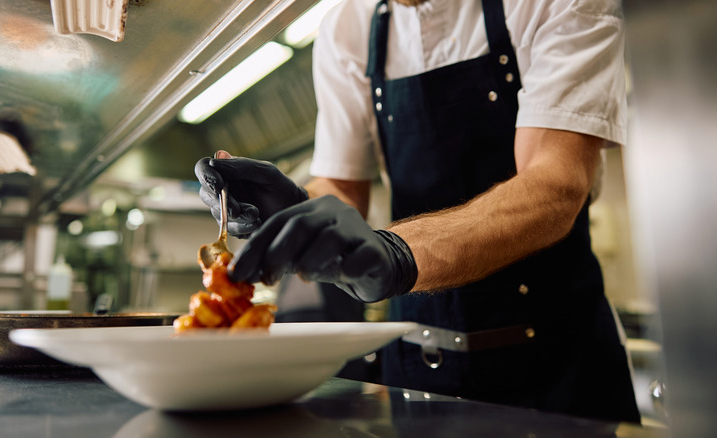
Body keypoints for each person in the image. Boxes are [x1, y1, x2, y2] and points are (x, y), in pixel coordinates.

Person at [195, 0, 640, 423]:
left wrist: (397, 252)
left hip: (559, 371)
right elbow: (342, 187)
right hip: (418, 370)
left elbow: (553, 187)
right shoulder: (350, 24)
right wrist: (293, 210)